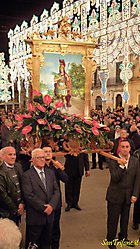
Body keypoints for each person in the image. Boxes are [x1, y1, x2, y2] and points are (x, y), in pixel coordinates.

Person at [22, 148, 60, 249]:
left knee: (46, 244)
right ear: (33, 160)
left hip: (49, 217)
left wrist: (51, 206)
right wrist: (44, 208)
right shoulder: (27, 175)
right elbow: (29, 195)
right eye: (39, 158)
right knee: (33, 245)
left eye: (43, 157)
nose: (42, 159)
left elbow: (56, 191)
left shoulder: (50, 173)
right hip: (35, 218)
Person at [106, 140, 140, 249]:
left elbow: (137, 179)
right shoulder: (113, 160)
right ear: (119, 148)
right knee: (113, 220)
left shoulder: (135, 161)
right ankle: (110, 240)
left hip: (128, 196)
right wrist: (121, 166)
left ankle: (123, 237)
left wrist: (135, 194)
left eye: (127, 147)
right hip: (115, 196)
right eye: (123, 147)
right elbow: (115, 177)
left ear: (130, 148)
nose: (125, 149)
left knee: (125, 219)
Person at [43, 146, 68, 249]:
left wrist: (59, 168)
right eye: (46, 152)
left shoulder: (55, 165)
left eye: (50, 151)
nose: (48, 153)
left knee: (55, 228)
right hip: (44, 203)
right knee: (45, 228)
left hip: (56, 202)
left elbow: (66, 179)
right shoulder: (40, 166)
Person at [0, 146, 24, 225]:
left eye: (14, 154)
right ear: (2, 156)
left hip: (19, 208)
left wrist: (22, 203)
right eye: (10, 154)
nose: (13, 157)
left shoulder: (18, 166)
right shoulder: (1, 171)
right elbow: (3, 195)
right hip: (6, 212)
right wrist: (15, 209)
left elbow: (23, 185)